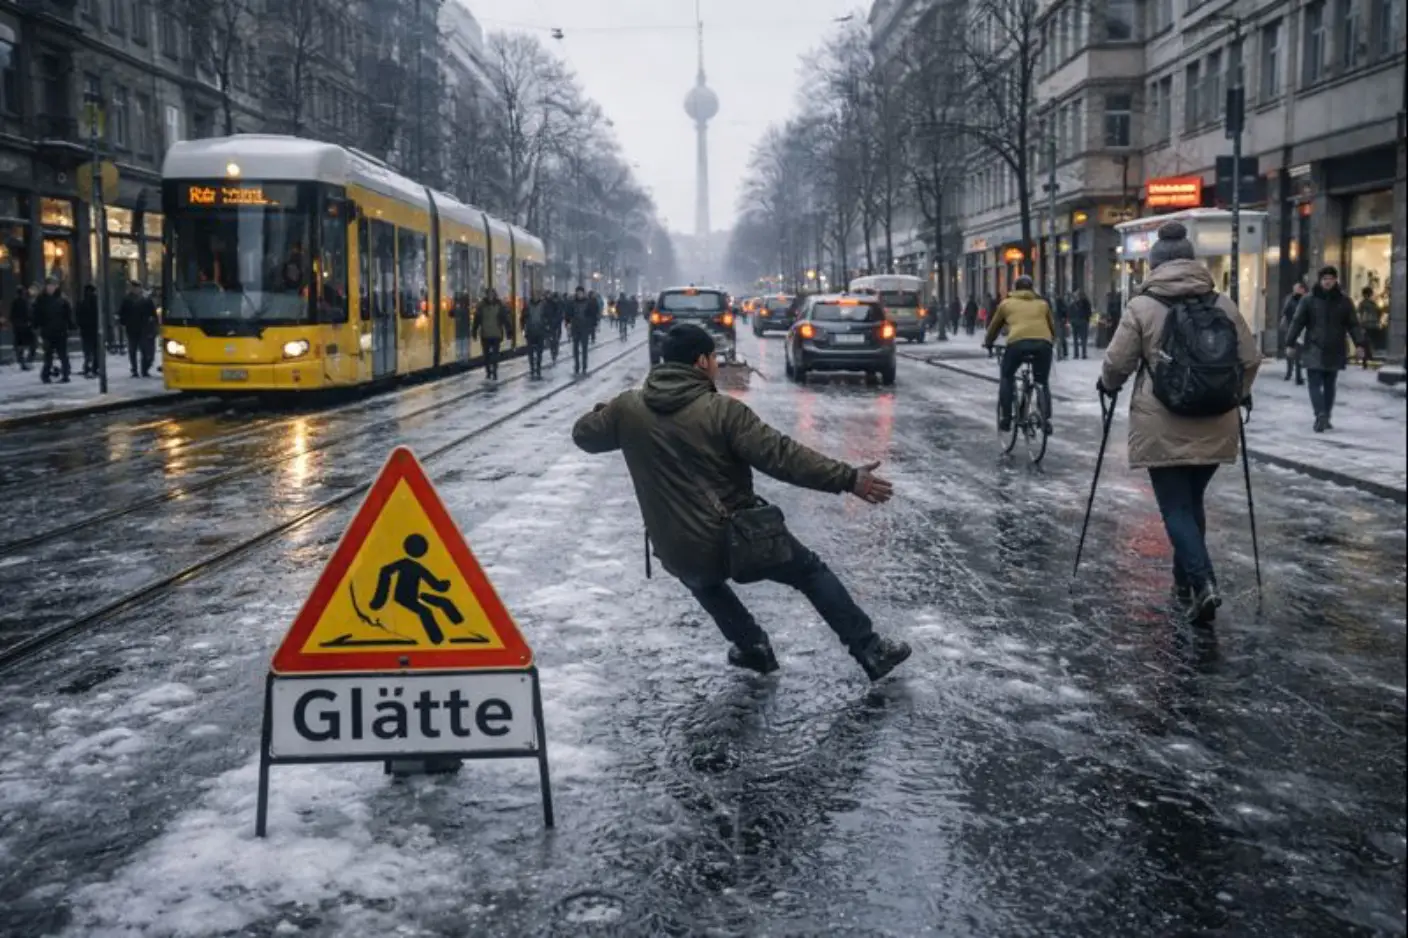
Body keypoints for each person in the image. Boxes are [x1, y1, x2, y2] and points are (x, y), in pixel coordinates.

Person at [571, 323, 912, 681]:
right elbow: (783, 457)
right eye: (714, 357)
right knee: (810, 573)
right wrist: (848, 478)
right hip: (740, 538)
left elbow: (584, 434)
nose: (717, 363)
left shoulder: (628, 408)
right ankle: (871, 651)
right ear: (701, 362)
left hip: (677, 545)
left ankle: (753, 649)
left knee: (700, 580)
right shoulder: (722, 411)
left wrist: (612, 409)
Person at [1096, 222, 1259, 624]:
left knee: (1175, 507)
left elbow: (1118, 363)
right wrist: (1234, 394)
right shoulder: (1222, 304)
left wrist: (1107, 383)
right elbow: (1250, 358)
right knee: (1191, 501)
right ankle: (1184, 582)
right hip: (1216, 419)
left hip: (1162, 422)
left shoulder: (1142, 305)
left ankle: (1203, 583)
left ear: (1154, 265)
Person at [1286, 266, 1366, 432]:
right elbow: (1297, 321)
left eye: (1331, 278)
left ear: (1336, 280)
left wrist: (1359, 344)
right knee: (1314, 383)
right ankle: (1320, 415)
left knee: (1330, 384)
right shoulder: (1308, 300)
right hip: (1314, 346)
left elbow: (1353, 325)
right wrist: (1290, 342)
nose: (1328, 281)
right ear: (1320, 280)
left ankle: (1325, 415)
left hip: (1335, 347)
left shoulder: (1344, 301)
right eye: (1324, 279)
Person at [984, 275, 1056, 434]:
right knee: (1042, 381)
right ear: (1032, 289)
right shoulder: (1042, 304)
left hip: (1017, 343)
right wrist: (1052, 341)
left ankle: (1006, 418)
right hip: (1043, 344)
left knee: (1007, 375)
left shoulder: (1006, 304)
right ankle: (1046, 418)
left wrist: (988, 342)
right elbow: (1052, 327)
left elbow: (994, 327)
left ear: (1014, 288)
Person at [35, 275, 73, 384]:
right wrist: (36, 325)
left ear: (56, 286)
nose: (51, 287)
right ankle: (45, 375)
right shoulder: (41, 299)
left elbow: (68, 314)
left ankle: (66, 374)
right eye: (49, 285)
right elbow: (37, 314)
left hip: (60, 331)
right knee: (48, 355)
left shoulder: (62, 299)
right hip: (47, 331)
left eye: (53, 285)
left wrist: (70, 325)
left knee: (63, 354)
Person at [118, 279, 159, 377]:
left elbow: (153, 313)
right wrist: (124, 322)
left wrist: (154, 325)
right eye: (133, 287)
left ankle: (144, 369)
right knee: (132, 350)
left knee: (145, 350)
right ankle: (134, 370)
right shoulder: (127, 299)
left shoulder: (146, 299)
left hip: (144, 329)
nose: (134, 289)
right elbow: (122, 313)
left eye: (136, 287)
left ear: (139, 288)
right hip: (131, 329)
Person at [472, 287, 513, 380]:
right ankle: (488, 372)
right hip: (485, 334)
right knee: (486, 355)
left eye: (492, 294)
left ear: (494, 295)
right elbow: (477, 320)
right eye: (489, 294)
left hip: (496, 334)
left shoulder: (499, 305)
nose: (490, 296)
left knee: (495, 355)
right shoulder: (481, 306)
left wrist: (509, 330)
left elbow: (505, 319)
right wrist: (474, 331)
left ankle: (494, 371)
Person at [1278, 281, 1308, 384]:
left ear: (1302, 289)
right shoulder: (1291, 299)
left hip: (1302, 329)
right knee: (1293, 352)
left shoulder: (1306, 299)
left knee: (1297, 353)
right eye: (1294, 288)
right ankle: (1293, 374)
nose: (1295, 290)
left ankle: (1294, 375)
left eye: (1296, 288)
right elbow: (1285, 313)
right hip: (1293, 329)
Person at [10, 282, 39, 371]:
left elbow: (12, 316)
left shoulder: (16, 302)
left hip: (19, 327)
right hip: (25, 327)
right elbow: (29, 314)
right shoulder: (25, 302)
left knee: (20, 346)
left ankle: (23, 362)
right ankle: (27, 361)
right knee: (33, 343)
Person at [567, 285, 593, 375]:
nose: (579, 294)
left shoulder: (588, 303)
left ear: (583, 293)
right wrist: (568, 324)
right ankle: (577, 365)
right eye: (578, 293)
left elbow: (592, 315)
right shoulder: (572, 303)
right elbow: (568, 314)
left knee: (584, 349)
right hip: (575, 328)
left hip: (585, 329)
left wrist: (591, 326)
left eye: (581, 293)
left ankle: (584, 366)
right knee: (575, 349)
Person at [523, 289, 549, 379]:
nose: (535, 297)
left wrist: (546, 326)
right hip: (530, 332)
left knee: (539, 352)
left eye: (537, 295)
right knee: (530, 352)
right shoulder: (527, 306)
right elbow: (523, 317)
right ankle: (532, 368)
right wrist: (523, 327)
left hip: (540, 332)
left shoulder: (543, 305)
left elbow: (547, 317)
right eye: (533, 295)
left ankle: (538, 368)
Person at [76, 283, 100, 378]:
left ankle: (88, 367)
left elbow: (78, 316)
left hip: (86, 331)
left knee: (87, 351)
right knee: (95, 351)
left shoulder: (82, 302)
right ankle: (94, 367)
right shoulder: (96, 301)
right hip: (94, 330)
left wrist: (80, 326)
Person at [1357, 287, 1382, 367]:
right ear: (1370, 294)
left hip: (1365, 324)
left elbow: (1359, 314)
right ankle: (1369, 356)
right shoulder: (1373, 303)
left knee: (1366, 341)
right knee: (1369, 341)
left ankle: (1367, 357)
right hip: (1373, 325)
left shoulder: (1362, 303)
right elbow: (1379, 312)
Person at [1069, 288, 1093, 359]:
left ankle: (1076, 354)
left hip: (1075, 322)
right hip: (1083, 322)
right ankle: (1083, 354)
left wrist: (1071, 320)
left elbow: (1070, 312)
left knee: (1076, 339)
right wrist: (1087, 319)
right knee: (1083, 339)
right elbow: (1089, 312)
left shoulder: (1073, 303)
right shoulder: (1086, 302)